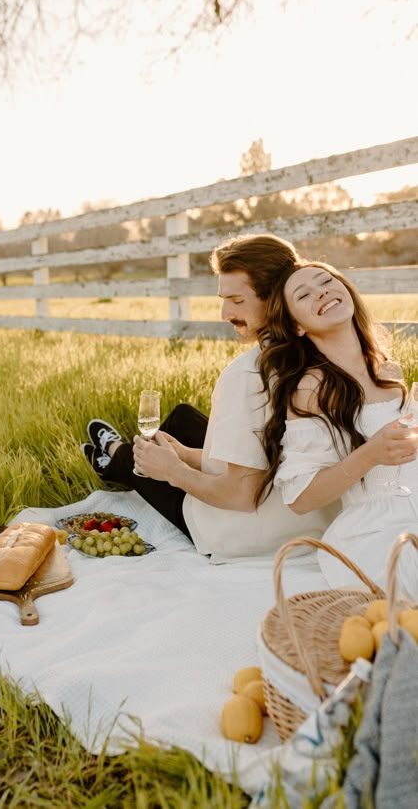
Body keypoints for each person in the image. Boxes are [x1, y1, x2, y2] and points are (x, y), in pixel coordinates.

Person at [81, 234, 338, 562]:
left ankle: (115, 459)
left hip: (243, 533)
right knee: (183, 419)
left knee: (146, 461)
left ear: (274, 297)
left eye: (236, 300)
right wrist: (187, 455)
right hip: (311, 522)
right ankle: (123, 455)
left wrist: (174, 471)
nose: (224, 312)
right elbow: (276, 455)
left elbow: (242, 495)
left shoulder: (246, 375)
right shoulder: (324, 345)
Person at [256, 260, 418, 596]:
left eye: (326, 281)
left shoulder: (388, 369)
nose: (322, 292)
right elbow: (300, 498)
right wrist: (370, 454)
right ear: (298, 326)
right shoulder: (312, 387)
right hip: (376, 532)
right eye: (304, 294)